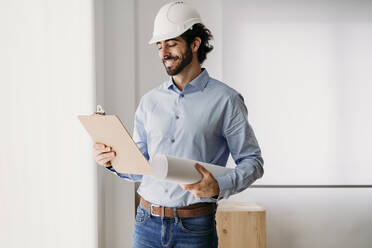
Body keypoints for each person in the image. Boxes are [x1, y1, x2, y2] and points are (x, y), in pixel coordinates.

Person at [94, 1, 264, 247]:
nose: (163, 53)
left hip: (194, 228)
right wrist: (113, 160)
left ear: (195, 44)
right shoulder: (150, 101)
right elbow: (142, 165)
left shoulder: (226, 100)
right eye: (160, 46)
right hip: (145, 223)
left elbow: (253, 162)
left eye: (172, 43)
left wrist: (218, 185)